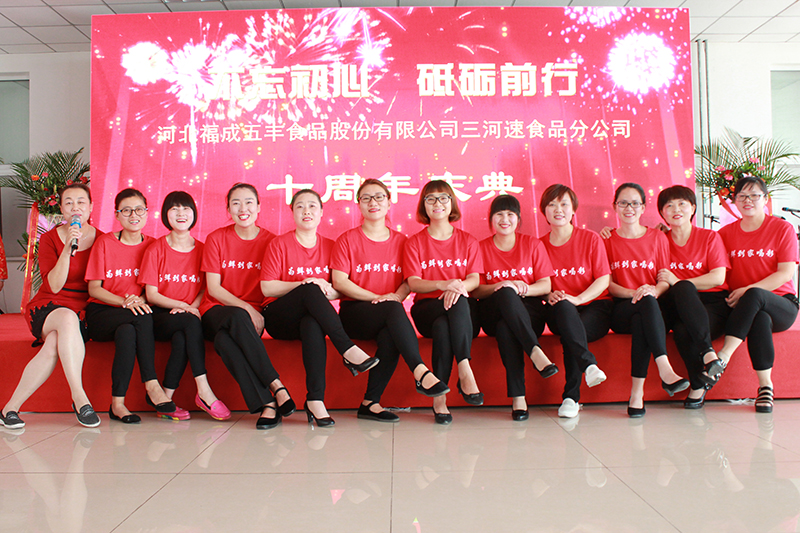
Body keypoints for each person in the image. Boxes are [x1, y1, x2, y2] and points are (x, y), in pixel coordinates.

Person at [331, 179, 449, 423]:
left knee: (390, 335)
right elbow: (340, 282)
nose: (373, 202)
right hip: (355, 313)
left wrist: (394, 298)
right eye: (366, 198)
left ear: (388, 202)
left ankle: (370, 403)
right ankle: (419, 370)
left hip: (389, 313)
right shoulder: (347, 239)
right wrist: (378, 298)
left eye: (379, 197)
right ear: (358, 204)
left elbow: (409, 280)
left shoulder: (403, 241)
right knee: (392, 310)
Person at [261, 189, 379, 428]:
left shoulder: (331, 246)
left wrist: (321, 287)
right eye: (300, 206)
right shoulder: (279, 244)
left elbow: (338, 290)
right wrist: (305, 284)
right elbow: (267, 287)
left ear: (322, 212)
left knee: (312, 322)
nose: (306, 211)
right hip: (278, 317)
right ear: (292, 212)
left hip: (309, 317)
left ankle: (315, 400)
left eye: (312, 206)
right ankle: (347, 349)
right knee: (310, 288)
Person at [1, 184, 101, 429]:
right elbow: (54, 286)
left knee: (56, 341)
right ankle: (79, 397)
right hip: (49, 306)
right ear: (62, 209)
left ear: (91, 207)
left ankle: (9, 408)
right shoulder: (48, 239)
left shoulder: (103, 240)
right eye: (69, 203)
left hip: (84, 309)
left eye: (81, 202)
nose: (75, 207)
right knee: (66, 318)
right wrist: (67, 249)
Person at [85, 188, 183, 423]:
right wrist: (125, 302)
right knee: (141, 316)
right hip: (102, 311)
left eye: (139, 209)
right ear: (117, 215)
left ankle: (117, 404)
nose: (133, 215)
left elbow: (155, 289)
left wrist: (139, 302)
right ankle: (152, 383)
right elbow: (94, 289)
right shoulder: (105, 243)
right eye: (126, 210)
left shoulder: (154, 246)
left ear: (147, 213)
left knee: (128, 332)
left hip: (134, 312)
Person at [200, 183, 293, 430]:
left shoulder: (272, 242)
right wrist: (248, 309)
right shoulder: (216, 238)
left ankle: (267, 405)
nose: (243, 208)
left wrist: (253, 311)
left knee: (224, 342)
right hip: (216, 311)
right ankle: (276, 385)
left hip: (250, 321)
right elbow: (213, 289)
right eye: (236, 203)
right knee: (237, 317)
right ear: (228, 209)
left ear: (259, 207)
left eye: (249, 202)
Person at [140, 191, 230, 420]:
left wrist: (192, 307)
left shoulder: (203, 249)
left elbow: (205, 288)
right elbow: (151, 294)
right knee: (189, 323)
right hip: (160, 315)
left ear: (194, 213)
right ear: (165, 214)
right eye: (174, 209)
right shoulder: (155, 249)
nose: (181, 214)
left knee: (183, 337)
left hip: (189, 314)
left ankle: (165, 400)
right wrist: (184, 306)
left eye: (186, 208)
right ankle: (204, 390)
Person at [712, 176, 798, 413]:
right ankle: (766, 387)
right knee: (759, 317)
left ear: (765, 199)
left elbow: (786, 273)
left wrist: (747, 290)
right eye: (742, 196)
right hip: (746, 308)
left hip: (781, 304)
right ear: (734, 201)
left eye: (754, 195)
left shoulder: (782, 228)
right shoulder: (724, 234)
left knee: (755, 294)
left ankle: (723, 356)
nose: (747, 200)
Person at [604, 183, 688, 418]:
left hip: (650, 308)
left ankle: (636, 395)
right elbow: (607, 284)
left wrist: (652, 291)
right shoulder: (606, 240)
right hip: (621, 308)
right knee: (645, 302)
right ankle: (665, 368)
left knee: (645, 313)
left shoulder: (657, 237)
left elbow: (664, 279)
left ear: (643, 208)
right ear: (615, 207)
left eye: (635, 203)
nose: (629, 208)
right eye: (623, 203)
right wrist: (636, 293)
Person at [472, 194, 557, 421]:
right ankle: (535, 351)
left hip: (529, 313)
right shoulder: (480, 248)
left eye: (510, 214)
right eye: (499, 214)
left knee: (506, 328)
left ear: (518, 219)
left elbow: (546, 285)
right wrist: (502, 286)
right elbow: (476, 290)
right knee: (505, 293)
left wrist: (522, 288)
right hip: (492, 310)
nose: (505, 219)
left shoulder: (533, 244)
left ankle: (519, 398)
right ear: (491, 219)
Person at [404, 180, 483, 425]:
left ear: (452, 203)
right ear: (423, 205)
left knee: (445, 322)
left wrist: (456, 287)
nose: (437, 203)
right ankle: (465, 368)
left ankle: (439, 399)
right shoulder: (414, 242)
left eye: (443, 198)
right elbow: (414, 283)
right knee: (450, 306)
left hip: (460, 313)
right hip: (426, 309)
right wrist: (444, 284)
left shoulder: (468, 241)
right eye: (431, 198)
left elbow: (474, 280)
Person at [539, 184, 612, 419]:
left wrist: (579, 299)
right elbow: (537, 283)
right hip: (559, 309)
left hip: (595, 306)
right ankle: (589, 366)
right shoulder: (539, 245)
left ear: (573, 210)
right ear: (544, 211)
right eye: (552, 205)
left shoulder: (591, 239)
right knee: (565, 309)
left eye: (564, 204)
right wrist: (547, 295)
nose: (558, 210)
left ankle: (571, 397)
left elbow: (603, 279)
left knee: (573, 332)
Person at [655, 185, 729, 409]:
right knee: (682, 290)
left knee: (682, 328)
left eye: (682, 204)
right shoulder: (659, 240)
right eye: (669, 205)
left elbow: (718, 277)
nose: (676, 209)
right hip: (676, 303)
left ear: (693, 208)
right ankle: (708, 355)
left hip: (711, 302)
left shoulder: (709, 237)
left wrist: (678, 281)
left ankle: (698, 384)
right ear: (662, 213)